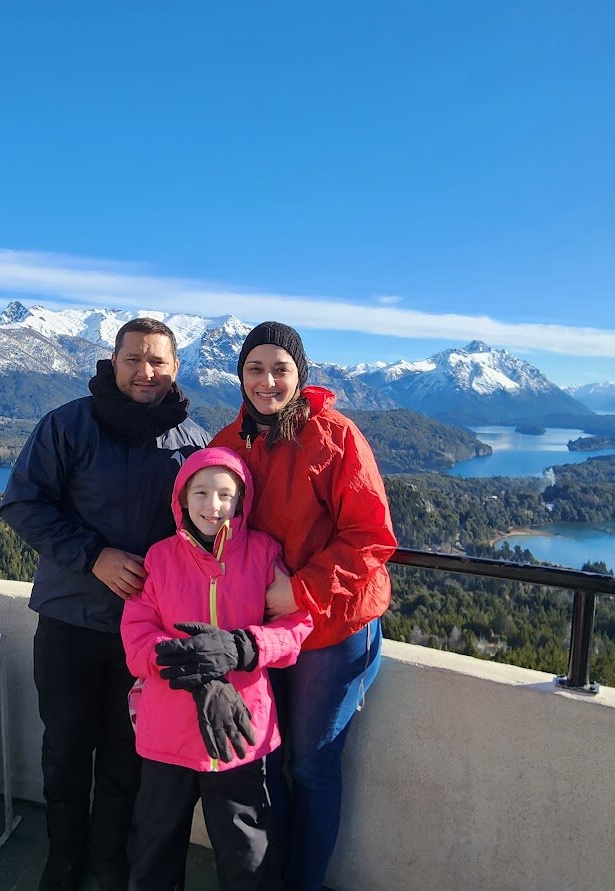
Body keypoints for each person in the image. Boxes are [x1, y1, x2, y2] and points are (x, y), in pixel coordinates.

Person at [2, 318, 210, 891]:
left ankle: (109, 859)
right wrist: (94, 556)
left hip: (145, 633)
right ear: (112, 362)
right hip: (70, 620)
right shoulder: (69, 425)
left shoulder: (192, 443)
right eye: (133, 359)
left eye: (157, 361)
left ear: (175, 368)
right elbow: (22, 503)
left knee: (128, 755)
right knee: (65, 750)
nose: (145, 371)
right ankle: (64, 859)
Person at [207, 321, 396, 891]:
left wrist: (301, 590)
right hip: (265, 631)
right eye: (255, 369)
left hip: (331, 628)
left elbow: (371, 536)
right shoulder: (229, 441)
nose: (267, 381)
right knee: (267, 760)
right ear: (240, 376)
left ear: (300, 374)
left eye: (280, 369)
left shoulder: (335, 437)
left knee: (311, 765)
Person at [120, 447, 312, 891]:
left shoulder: (263, 553)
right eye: (201, 493)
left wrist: (244, 647)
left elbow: (295, 626)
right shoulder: (159, 558)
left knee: (248, 853)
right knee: (154, 849)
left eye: (226, 494)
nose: (213, 506)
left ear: (242, 500)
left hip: (240, 731)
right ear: (182, 499)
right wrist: (197, 666)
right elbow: (137, 640)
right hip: (168, 734)